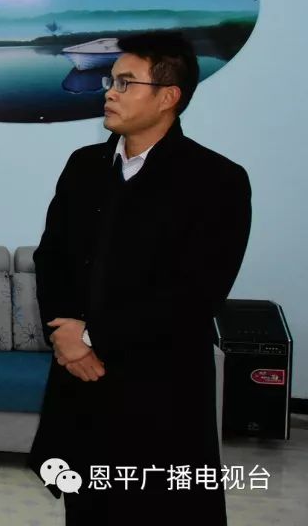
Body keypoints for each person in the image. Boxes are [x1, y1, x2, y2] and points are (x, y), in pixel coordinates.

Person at [27, 32, 252, 524]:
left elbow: (196, 293)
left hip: (160, 387)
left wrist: (91, 337)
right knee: (87, 506)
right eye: (111, 81)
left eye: (126, 83)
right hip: (82, 383)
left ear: (168, 96)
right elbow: (52, 258)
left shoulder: (216, 181)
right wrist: (65, 335)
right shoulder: (85, 167)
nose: (109, 92)